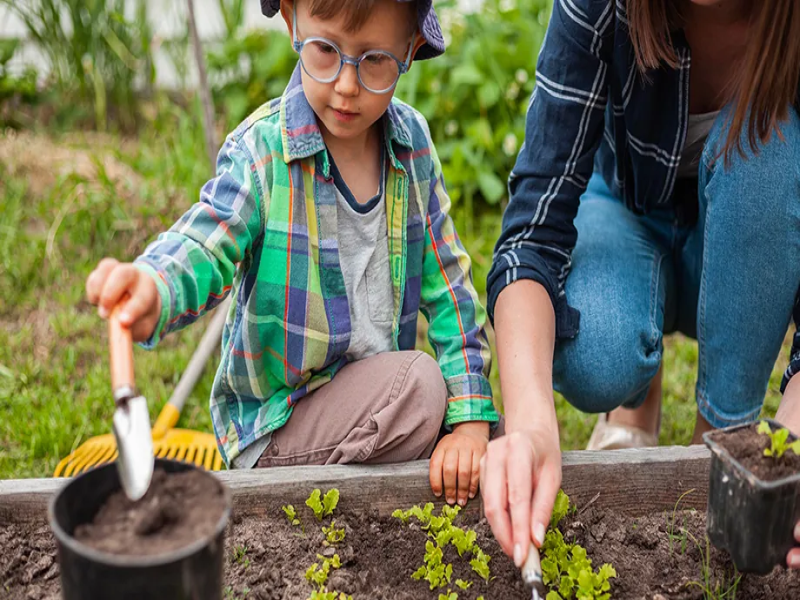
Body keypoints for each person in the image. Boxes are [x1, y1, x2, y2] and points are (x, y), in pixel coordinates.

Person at [85, 0, 500, 507]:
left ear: (410, 49)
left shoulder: (410, 147)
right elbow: (206, 242)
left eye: (374, 61)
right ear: (291, 23)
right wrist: (155, 285)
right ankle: (353, 490)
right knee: (421, 389)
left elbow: (449, 286)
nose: (346, 85)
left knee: (487, 436)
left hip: (368, 396)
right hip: (283, 422)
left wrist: (473, 423)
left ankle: (408, 457)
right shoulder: (263, 151)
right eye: (325, 50)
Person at [481, 0, 800, 570]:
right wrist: (530, 426)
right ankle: (635, 397)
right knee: (595, 351)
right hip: (626, 209)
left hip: (750, 233)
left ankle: (722, 442)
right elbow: (531, 235)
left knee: (764, 141)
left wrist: (792, 453)